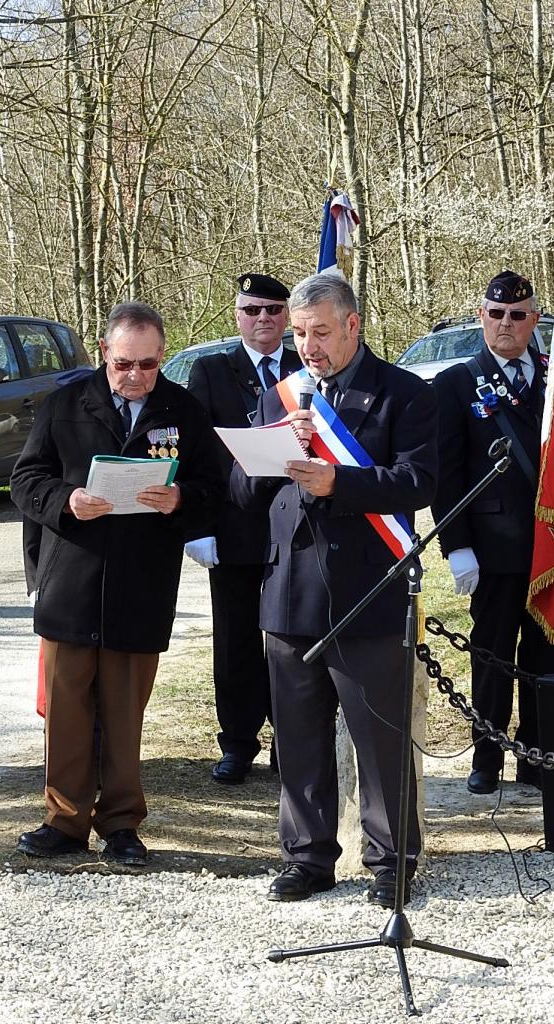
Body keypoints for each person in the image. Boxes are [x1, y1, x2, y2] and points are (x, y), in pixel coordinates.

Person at [230, 273, 438, 906]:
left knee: (378, 737)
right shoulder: (281, 397)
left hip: (367, 591)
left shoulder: (403, 393)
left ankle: (390, 859)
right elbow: (242, 498)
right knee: (298, 735)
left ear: (352, 324)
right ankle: (307, 856)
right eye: (298, 333)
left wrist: (338, 483)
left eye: (320, 331)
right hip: (289, 592)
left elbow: (418, 482)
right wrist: (268, 454)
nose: (308, 345)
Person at [10, 301, 223, 866]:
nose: (135, 377)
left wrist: (181, 499)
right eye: (125, 364)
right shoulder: (64, 405)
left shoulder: (184, 410)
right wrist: (67, 500)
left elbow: (215, 489)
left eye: (149, 365)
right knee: (68, 711)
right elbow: (25, 479)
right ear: (104, 352)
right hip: (71, 581)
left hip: (141, 582)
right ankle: (64, 820)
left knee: (125, 712)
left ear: (162, 358)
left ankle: (122, 824)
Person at [431, 269, 554, 795]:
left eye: (518, 315)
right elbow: (448, 473)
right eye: (497, 314)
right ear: (482, 316)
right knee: (491, 654)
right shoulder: (457, 383)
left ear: (534, 320)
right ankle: (487, 755)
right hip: (492, 547)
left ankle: (539, 754)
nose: (507, 324)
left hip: (550, 547)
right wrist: (457, 546)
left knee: (545, 655)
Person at [185, 273, 302, 784]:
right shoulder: (211, 372)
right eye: (253, 309)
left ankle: (291, 738)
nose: (263, 319)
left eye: (274, 310)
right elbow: (196, 455)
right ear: (237, 314)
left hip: (297, 529)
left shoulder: (307, 368)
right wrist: (198, 526)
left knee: (292, 637)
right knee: (235, 639)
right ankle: (237, 741)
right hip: (231, 527)